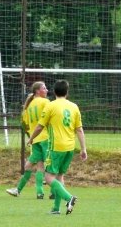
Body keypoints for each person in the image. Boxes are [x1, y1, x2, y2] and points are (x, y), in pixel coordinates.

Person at [27, 80, 86, 215]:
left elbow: (40, 126)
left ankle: (69, 198)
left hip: (56, 147)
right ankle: (56, 208)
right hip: (70, 147)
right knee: (59, 177)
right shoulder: (74, 106)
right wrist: (83, 149)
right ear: (67, 92)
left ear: (54, 92)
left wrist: (31, 139)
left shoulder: (51, 106)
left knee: (49, 177)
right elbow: (79, 129)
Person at [6, 81, 51, 199]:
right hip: (46, 138)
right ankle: (54, 191)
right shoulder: (45, 102)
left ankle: (38, 192)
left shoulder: (28, 106)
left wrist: (30, 135)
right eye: (44, 88)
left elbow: (25, 124)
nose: (47, 90)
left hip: (35, 140)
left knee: (36, 166)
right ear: (37, 91)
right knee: (50, 166)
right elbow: (51, 118)